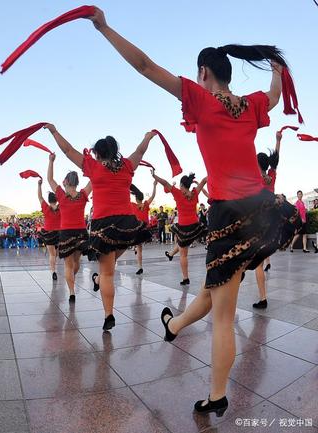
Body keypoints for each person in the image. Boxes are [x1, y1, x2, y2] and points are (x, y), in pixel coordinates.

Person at [87, 7, 301, 414]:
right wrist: (277, 70)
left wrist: (104, 28)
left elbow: (145, 66)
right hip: (261, 210)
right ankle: (173, 325)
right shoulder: (251, 105)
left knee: (223, 315)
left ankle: (217, 396)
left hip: (227, 215)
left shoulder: (201, 100)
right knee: (210, 293)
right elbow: (274, 96)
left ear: (203, 72)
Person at [45, 125, 153, 327]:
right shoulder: (126, 166)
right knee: (108, 268)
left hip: (104, 225)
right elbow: (140, 151)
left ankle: (108, 315)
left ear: (97, 153)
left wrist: (54, 131)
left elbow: (68, 150)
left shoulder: (93, 166)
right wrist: (148, 137)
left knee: (107, 273)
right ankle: (97, 283)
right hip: (127, 223)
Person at [45, 151, 92, 303]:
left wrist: (51, 161)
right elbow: (93, 179)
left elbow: (50, 179)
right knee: (76, 263)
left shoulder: (61, 195)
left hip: (66, 233)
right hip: (81, 233)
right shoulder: (83, 195)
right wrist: (90, 162)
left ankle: (72, 292)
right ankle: (72, 280)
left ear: (65, 182)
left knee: (68, 265)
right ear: (77, 182)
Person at [156, 172, 208, 285]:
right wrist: (218, 174)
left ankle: (185, 278)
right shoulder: (194, 192)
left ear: (181, 185)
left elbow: (164, 182)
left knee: (183, 254)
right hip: (195, 226)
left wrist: (154, 176)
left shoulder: (177, 193)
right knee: (181, 244)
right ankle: (170, 254)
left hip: (184, 228)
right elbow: (204, 180)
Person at [252, 129, 283, 308]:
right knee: (259, 260)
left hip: (258, 221)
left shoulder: (255, 178)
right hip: (272, 221)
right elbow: (276, 159)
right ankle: (262, 297)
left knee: (257, 263)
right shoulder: (271, 175)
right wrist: (278, 140)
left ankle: (263, 298)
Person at [130, 179, 157, 275]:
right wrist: (154, 186)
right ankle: (140, 266)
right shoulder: (145, 204)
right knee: (139, 248)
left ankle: (140, 266)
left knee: (137, 246)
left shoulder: (132, 205)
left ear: (136, 198)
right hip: (145, 230)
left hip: (136, 230)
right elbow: (153, 196)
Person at [37, 178, 61, 280]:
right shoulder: (61, 207)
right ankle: (55, 266)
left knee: (52, 254)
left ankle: (53, 271)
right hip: (59, 233)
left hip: (48, 233)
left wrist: (39, 185)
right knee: (56, 254)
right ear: (56, 199)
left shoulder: (46, 207)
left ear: (49, 200)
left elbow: (40, 197)